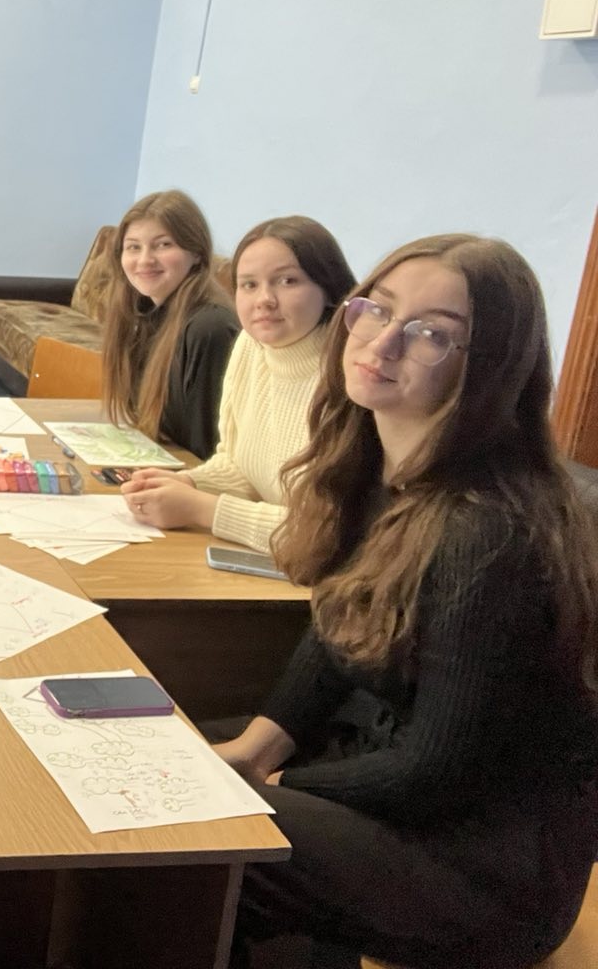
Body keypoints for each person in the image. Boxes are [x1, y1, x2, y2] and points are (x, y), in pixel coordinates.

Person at [213, 235, 598, 969]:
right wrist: (256, 747)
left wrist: (275, 783)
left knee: (202, 833)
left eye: (431, 333)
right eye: (378, 310)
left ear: (488, 366)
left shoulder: (489, 530)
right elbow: (337, 629)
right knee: (165, 762)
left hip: (484, 867)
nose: (383, 342)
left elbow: (437, 768)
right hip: (401, 785)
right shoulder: (380, 468)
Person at [120, 217, 355, 550]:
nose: (264, 299)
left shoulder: (353, 375)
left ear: (328, 287)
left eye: (287, 281)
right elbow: (239, 465)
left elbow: (327, 534)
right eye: (249, 285)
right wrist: (188, 482)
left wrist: (200, 508)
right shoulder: (250, 344)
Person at [100, 189, 240, 460]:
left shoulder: (210, 328)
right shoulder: (146, 312)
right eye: (134, 247)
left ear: (197, 253)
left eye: (163, 245)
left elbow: (207, 452)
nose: (145, 260)